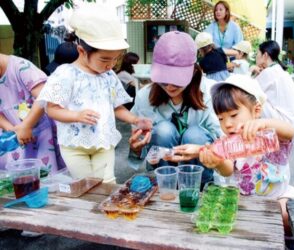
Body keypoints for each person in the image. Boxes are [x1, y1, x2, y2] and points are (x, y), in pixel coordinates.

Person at [37, 6, 141, 183]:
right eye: (104, 59)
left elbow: (117, 107)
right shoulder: (65, 74)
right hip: (74, 145)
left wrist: (135, 120)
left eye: (115, 59)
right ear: (82, 51)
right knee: (87, 187)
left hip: (103, 141)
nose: (111, 65)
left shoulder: (108, 76)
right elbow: (52, 109)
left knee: (107, 184)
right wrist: (76, 115)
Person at [199, 74, 294, 235]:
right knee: (227, 219)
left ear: (256, 110)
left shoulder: (270, 133)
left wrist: (264, 123)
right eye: (221, 118)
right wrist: (217, 161)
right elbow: (228, 170)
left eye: (233, 115)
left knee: (285, 214)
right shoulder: (227, 142)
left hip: (278, 197)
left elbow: (290, 132)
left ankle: (285, 242)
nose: (227, 124)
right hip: (244, 200)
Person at [128, 31, 223, 186]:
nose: (170, 86)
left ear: (193, 71)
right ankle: (165, 187)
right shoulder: (144, 96)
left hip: (202, 170)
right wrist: (136, 149)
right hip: (163, 172)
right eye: (164, 79)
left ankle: (200, 189)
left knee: (195, 135)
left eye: (177, 79)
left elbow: (224, 143)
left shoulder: (212, 93)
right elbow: (139, 152)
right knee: (163, 130)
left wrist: (200, 149)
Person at [0, 53, 66, 173]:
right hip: (16, 137)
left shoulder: (20, 67)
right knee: (21, 178)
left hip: (41, 133)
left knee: (46, 176)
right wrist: (12, 129)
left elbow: (45, 96)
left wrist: (27, 125)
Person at [251, 40, 294, 132]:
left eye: (257, 54)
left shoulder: (269, 72)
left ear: (265, 55)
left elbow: (247, 88)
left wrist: (250, 71)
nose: (256, 57)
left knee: (251, 98)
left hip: (287, 123)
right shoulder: (276, 69)